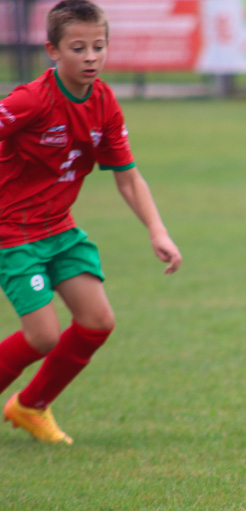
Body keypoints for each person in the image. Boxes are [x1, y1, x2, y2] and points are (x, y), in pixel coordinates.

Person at [0, 0, 182, 445]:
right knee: (43, 336)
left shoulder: (102, 102)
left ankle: (30, 405)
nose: (90, 57)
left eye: (98, 47)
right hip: (14, 232)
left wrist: (157, 231)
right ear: (53, 50)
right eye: (77, 47)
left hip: (59, 229)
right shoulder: (30, 100)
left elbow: (128, 178)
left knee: (97, 320)